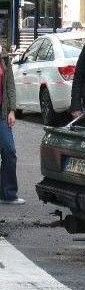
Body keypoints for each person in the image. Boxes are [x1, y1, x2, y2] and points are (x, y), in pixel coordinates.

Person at [0, 44, 24, 205]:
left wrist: (11, 110)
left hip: (2, 113)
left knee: (9, 151)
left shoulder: (4, 57)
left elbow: (10, 86)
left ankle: (8, 194)